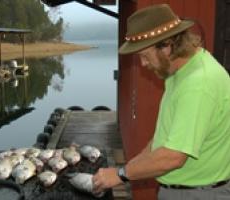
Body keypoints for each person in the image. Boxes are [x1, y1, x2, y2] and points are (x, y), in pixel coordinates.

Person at [92, 4, 230, 200]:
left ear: (167, 45)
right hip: (185, 190)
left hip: (199, 193)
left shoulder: (198, 84)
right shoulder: (180, 72)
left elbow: (173, 156)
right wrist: (128, 167)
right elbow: (161, 142)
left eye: (145, 55)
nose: (143, 64)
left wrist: (121, 175)